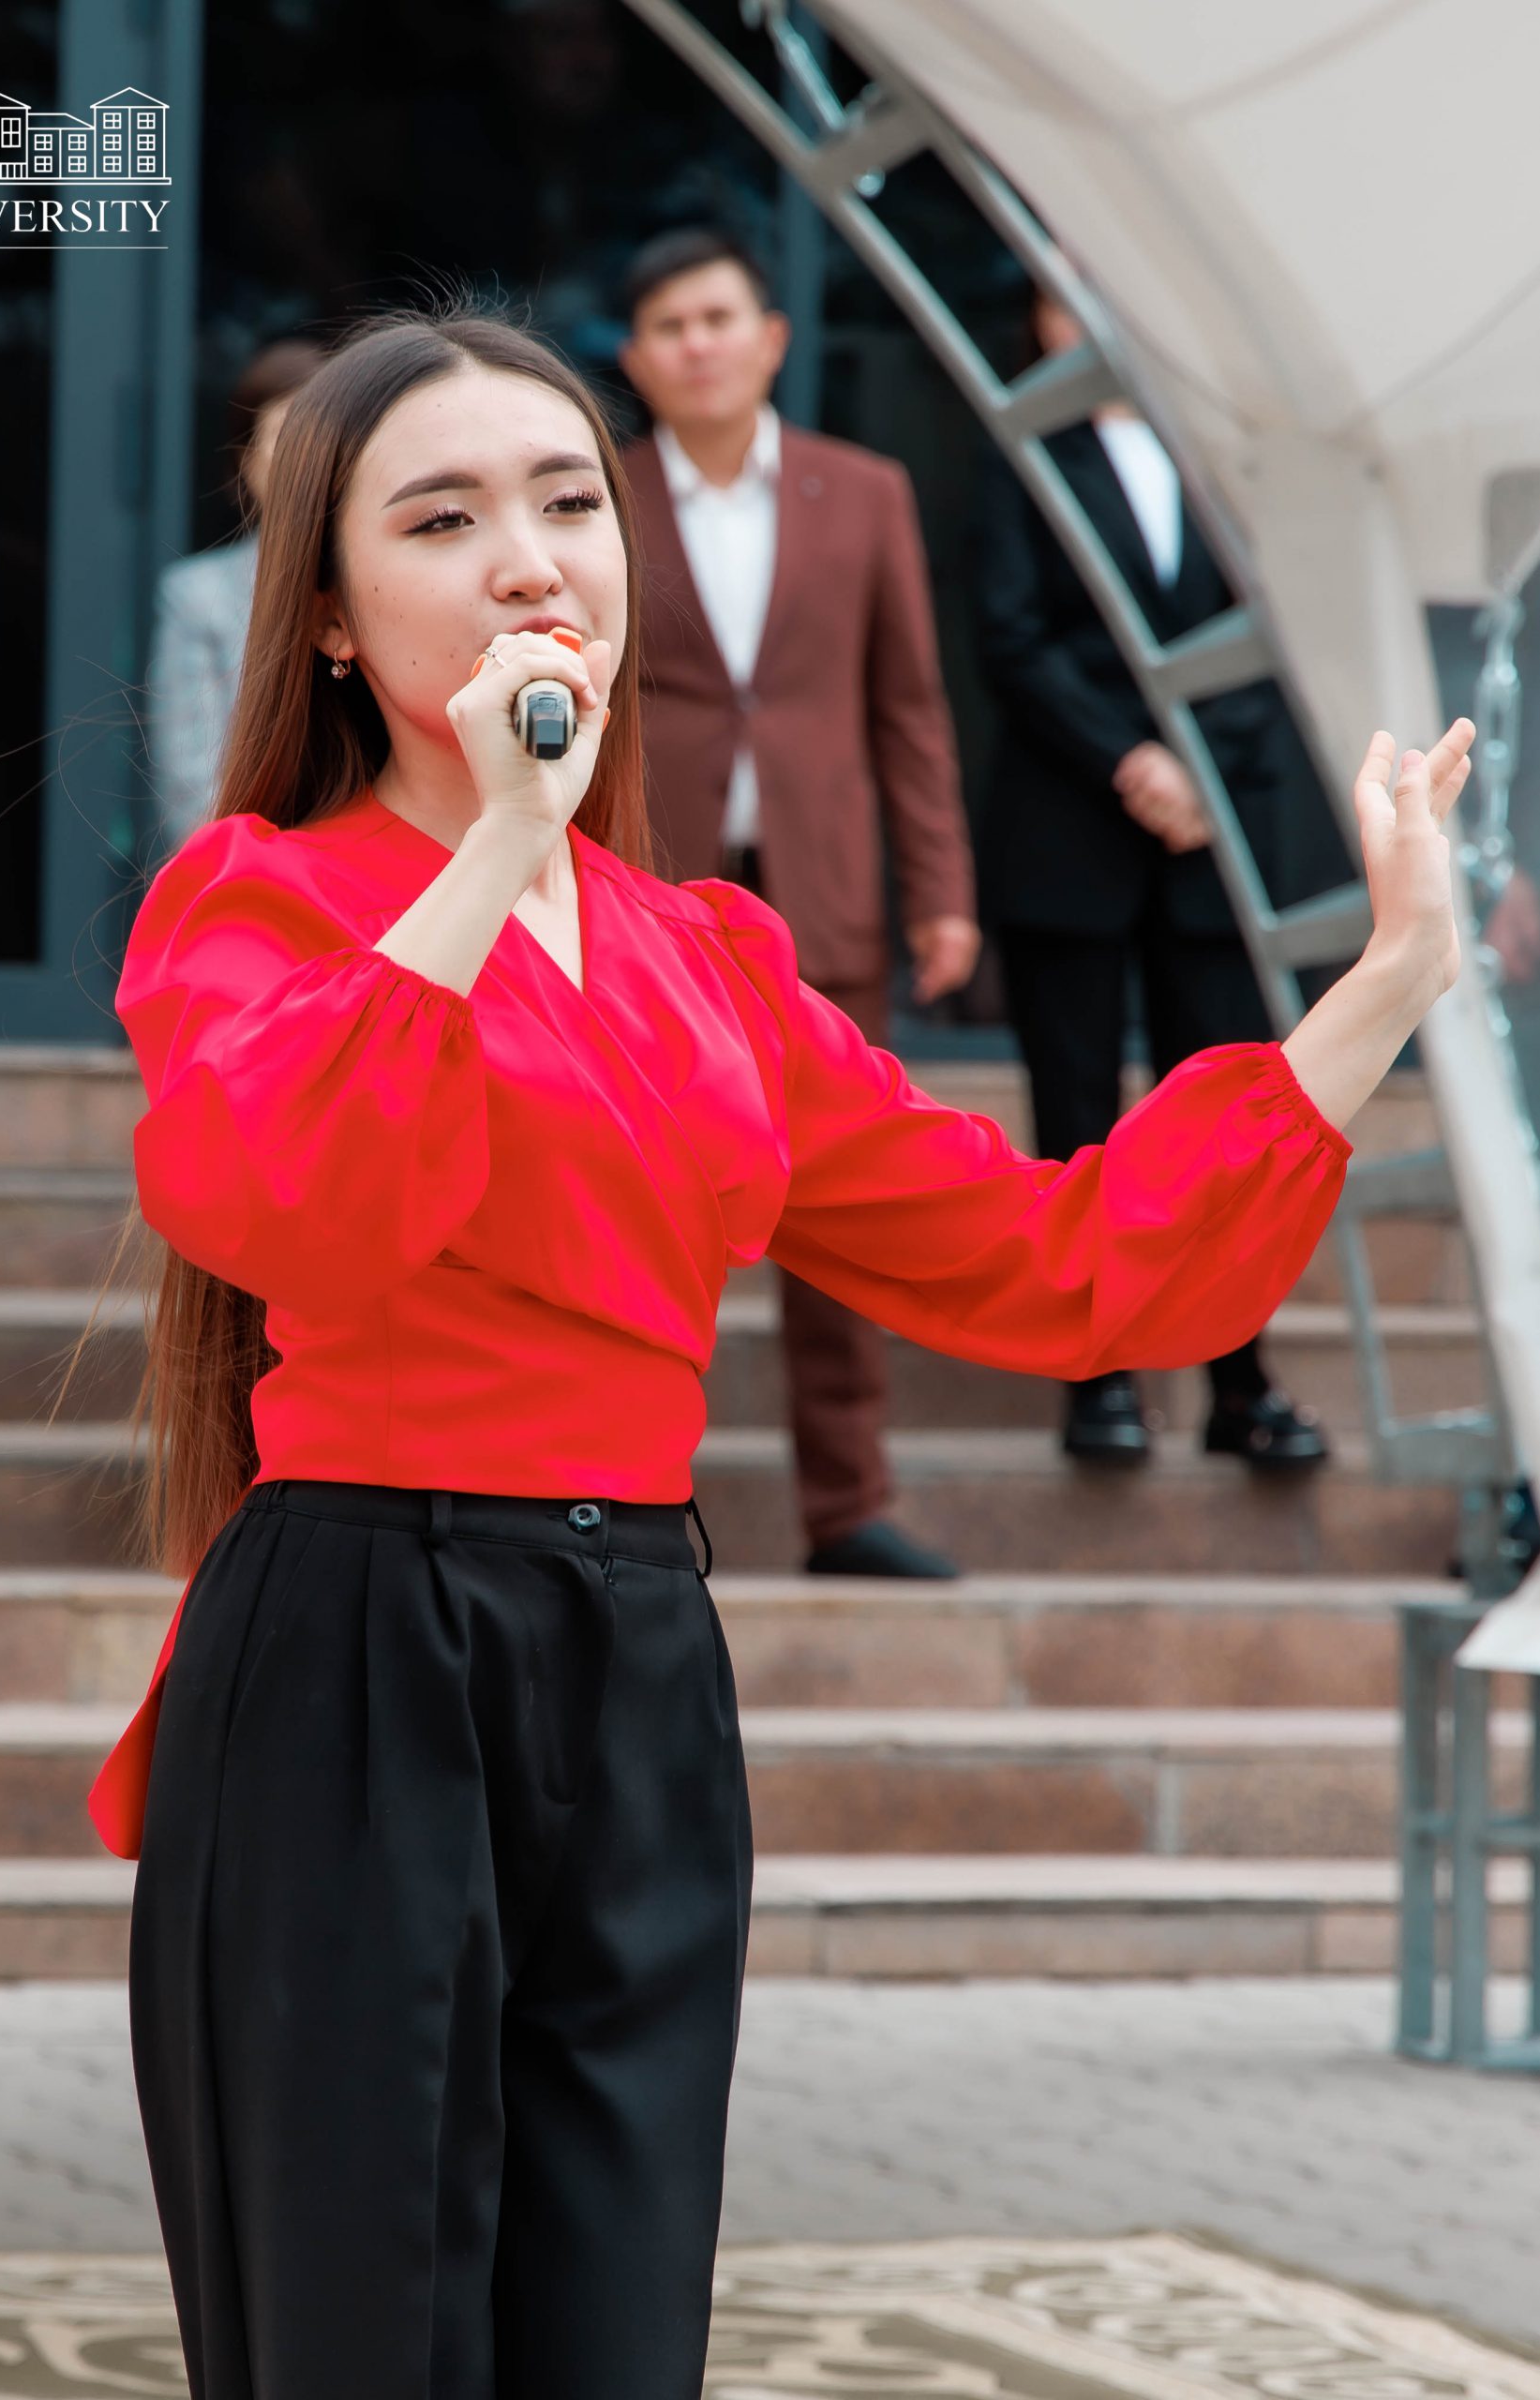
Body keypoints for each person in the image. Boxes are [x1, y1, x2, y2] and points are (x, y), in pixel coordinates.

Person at [84, 302, 1469, 2400]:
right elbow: (282, 1193)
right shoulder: (255, 901)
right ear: (336, 626)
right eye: (442, 521)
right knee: (358, 2332)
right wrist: (502, 839)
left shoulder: (708, 960)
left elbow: (1052, 1261)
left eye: (568, 502)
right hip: (362, 1652)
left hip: (635, 1653)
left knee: (616, 2330)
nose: (528, 559)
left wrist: (1386, 978)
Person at [617, 226, 981, 1582]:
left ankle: (850, 1507)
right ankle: (627, 1490)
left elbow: (910, 709)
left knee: (835, 1199)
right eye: (669, 326)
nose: (698, 345)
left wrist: (941, 893)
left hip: (820, 897)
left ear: (772, 338)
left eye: (718, 318)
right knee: (638, 1197)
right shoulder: (596, 493)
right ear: (635, 360)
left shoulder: (863, 492)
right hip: (646, 899)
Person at [972, 283, 1344, 1469]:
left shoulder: (1228, 448)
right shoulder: (1024, 447)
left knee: (1228, 1125)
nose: (1092, 315)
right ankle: (1096, 1380)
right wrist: (1131, 760)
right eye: (1063, 296)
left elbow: (1280, 627)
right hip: (1070, 817)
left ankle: (1240, 1381)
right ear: (1036, 317)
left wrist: (1197, 766)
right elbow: (1011, 637)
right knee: (1076, 1119)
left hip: (1214, 832)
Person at [145, 337, 323, 850]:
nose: (306, 463)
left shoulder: (399, 581)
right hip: (255, 872)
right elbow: (193, 791)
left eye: (322, 440)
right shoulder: (197, 594)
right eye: (286, 438)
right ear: (247, 460)